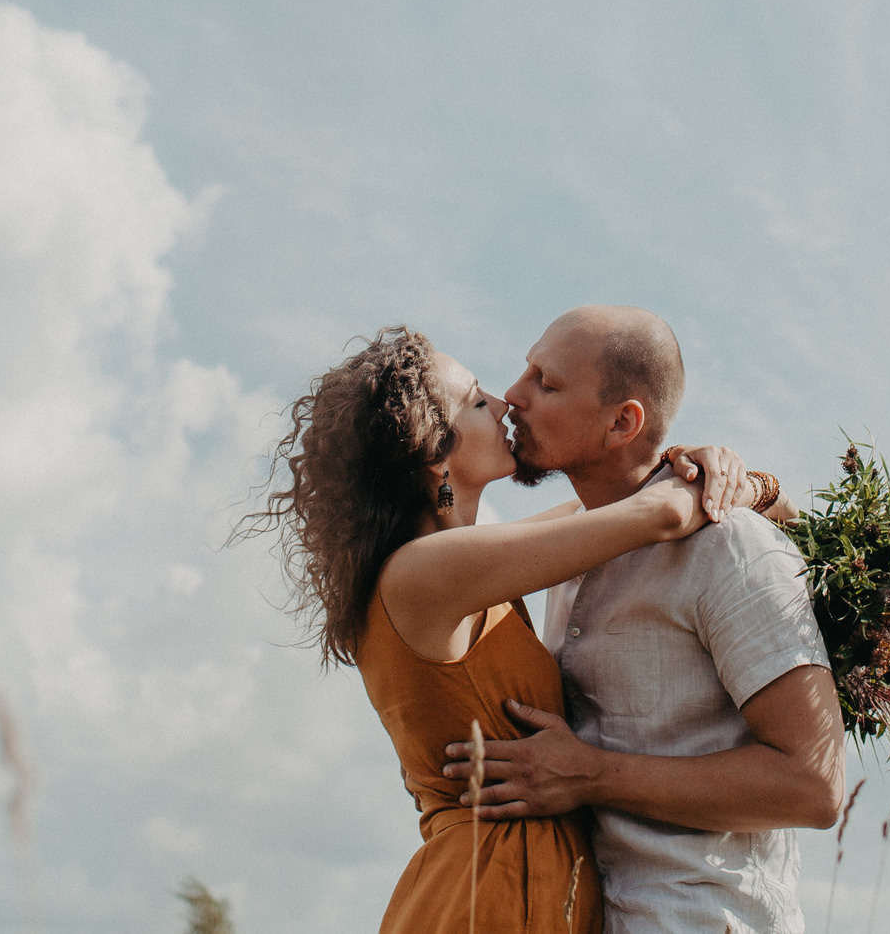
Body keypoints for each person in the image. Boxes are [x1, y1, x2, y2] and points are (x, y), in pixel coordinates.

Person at [238, 324, 767, 934]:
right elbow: (665, 509)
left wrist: (736, 475)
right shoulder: (425, 572)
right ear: (434, 447)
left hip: (523, 884)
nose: (505, 401)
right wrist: (712, 477)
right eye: (476, 401)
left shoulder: (462, 563)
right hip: (487, 894)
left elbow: (623, 503)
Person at [443, 305, 843, 934]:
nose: (513, 396)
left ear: (622, 422)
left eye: (546, 383)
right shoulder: (570, 555)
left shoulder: (730, 546)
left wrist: (592, 775)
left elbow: (813, 785)